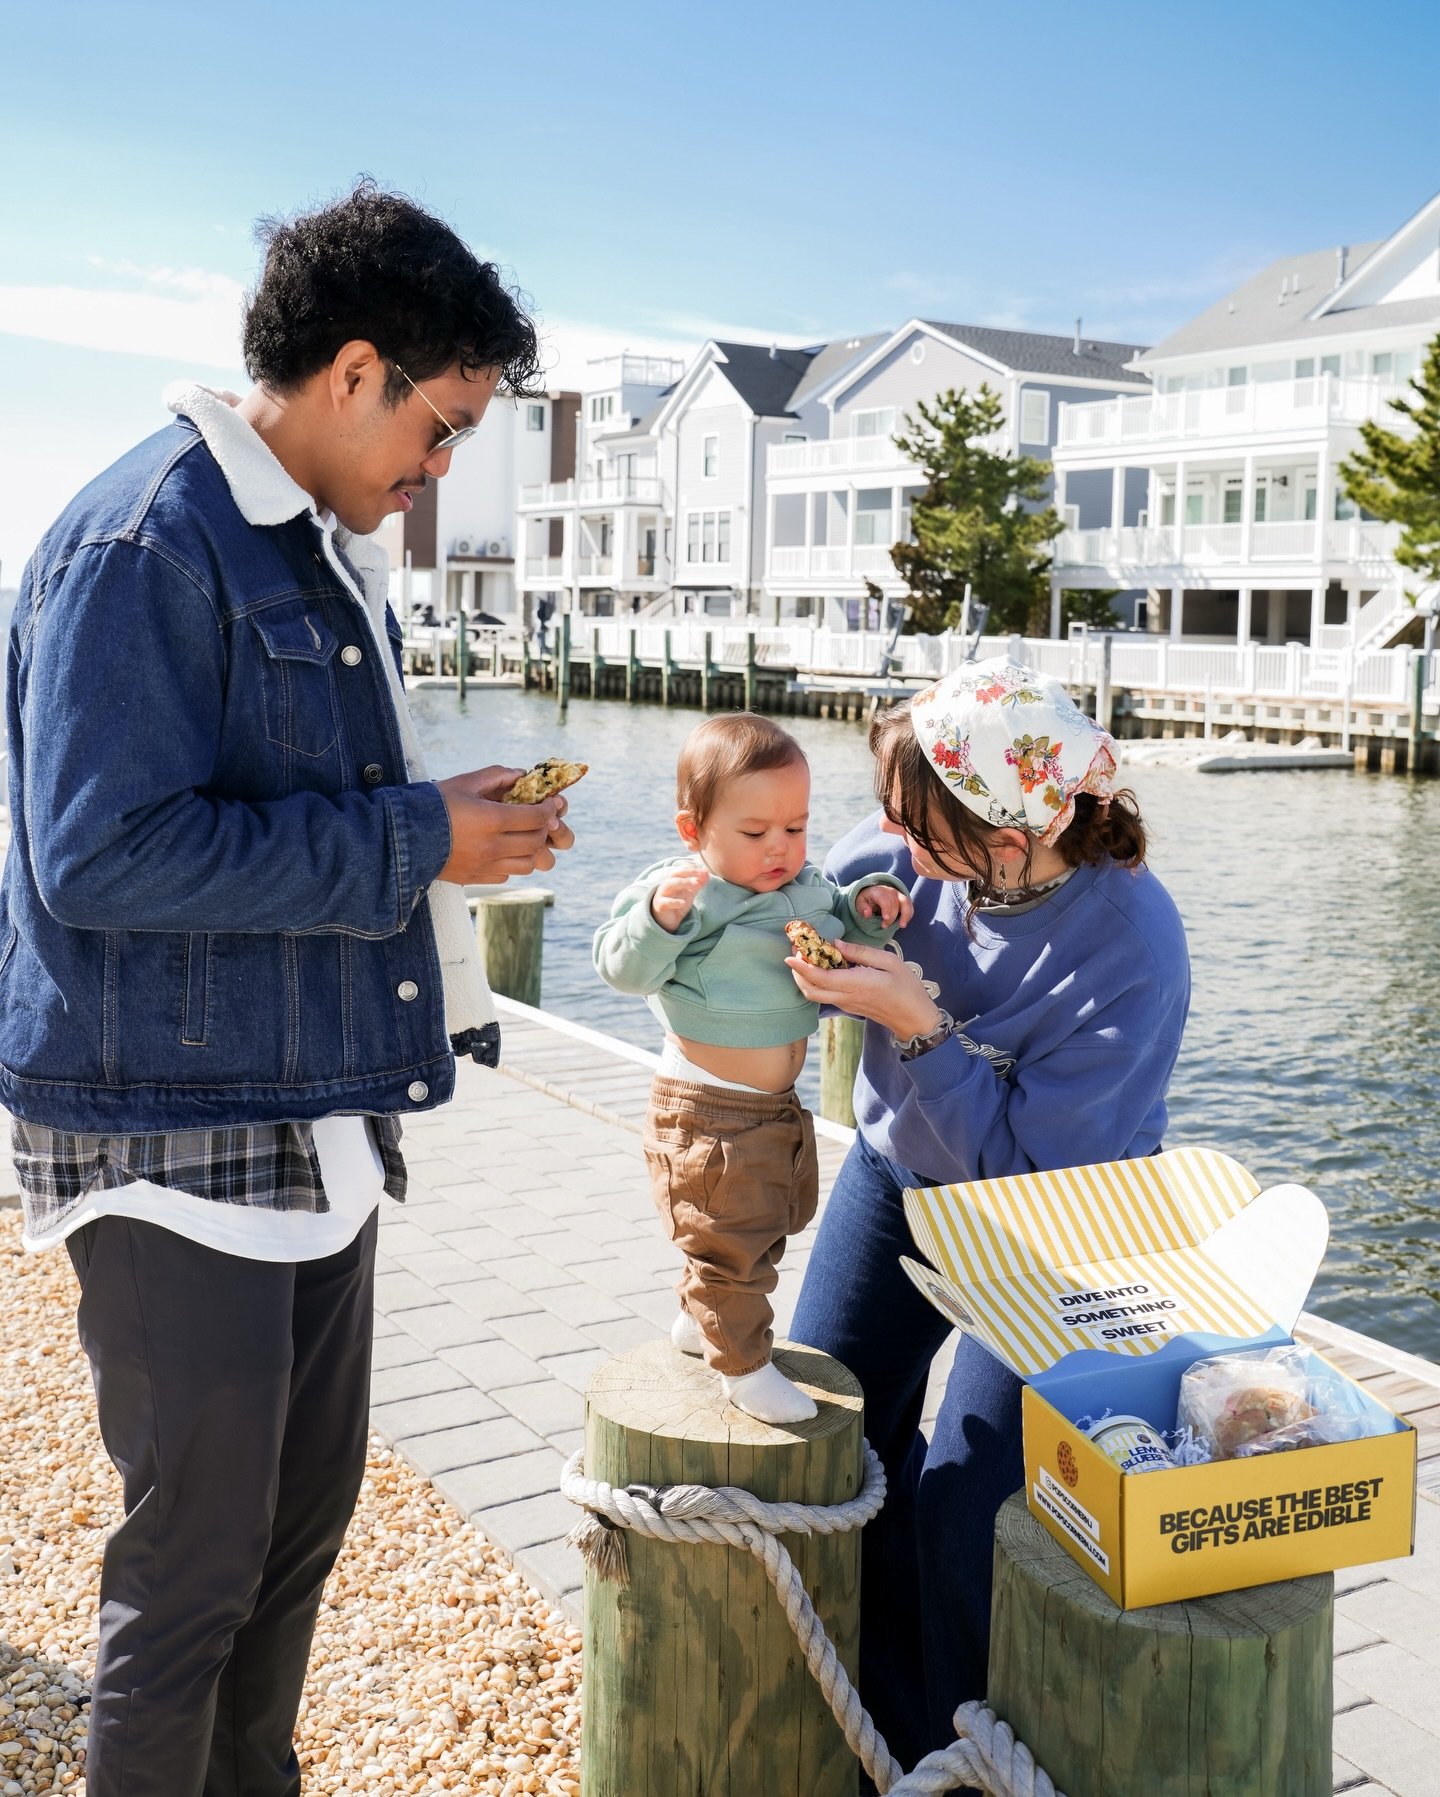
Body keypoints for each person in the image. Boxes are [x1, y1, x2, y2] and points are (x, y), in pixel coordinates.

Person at [0, 182, 576, 1797]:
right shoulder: (145, 536)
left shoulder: (285, 533)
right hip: (164, 1128)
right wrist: (414, 835)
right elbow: (94, 856)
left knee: (296, 1537)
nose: (441, 468)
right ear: (352, 370)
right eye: (442, 426)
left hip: (300, 1111)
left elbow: (261, 794)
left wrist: (435, 822)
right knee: (190, 1572)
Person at [784, 657, 1190, 1773]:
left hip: (1054, 1225)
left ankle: (966, 1755)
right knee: (835, 1432)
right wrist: (724, 911)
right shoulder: (886, 859)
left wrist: (917, 1027)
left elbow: (1020, 1173)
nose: (890, 846)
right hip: (894, 1178)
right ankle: (883, 1715)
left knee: (970, 1505)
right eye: (888, 812)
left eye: (922, 831)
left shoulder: (1133, 951)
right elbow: (774, 920)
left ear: (1011, 838)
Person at [593, 714, 911, 1424]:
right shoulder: (687, 891)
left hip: (773, 1104)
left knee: (761, 1226)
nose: (780, 848)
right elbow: (620, 965)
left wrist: (871, 906)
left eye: (795, 827)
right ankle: (742, 1364)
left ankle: (695, 1318)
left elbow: (845, 931)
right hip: (707, 1108)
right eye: (755, 831)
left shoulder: (804, 887)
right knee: (729, 1240)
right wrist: (655, 918)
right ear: (692, 829)